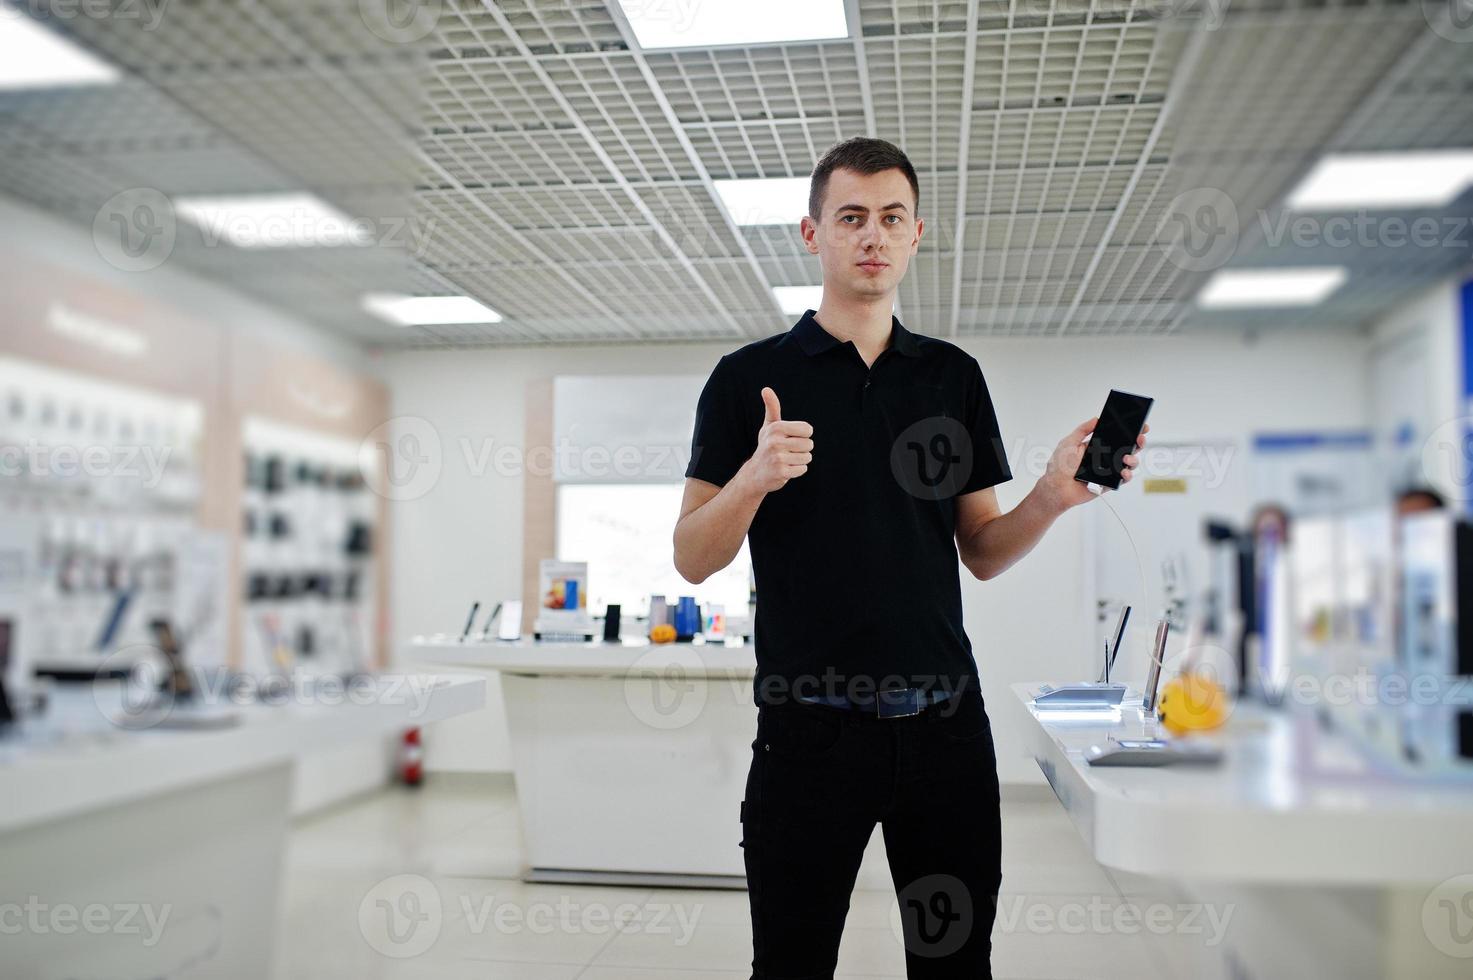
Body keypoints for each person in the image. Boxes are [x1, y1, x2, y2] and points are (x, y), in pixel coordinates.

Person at [673, 137, 1146, 980]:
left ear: (916, 234)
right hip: (806, 736)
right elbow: (690, 558)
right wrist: (750, 476)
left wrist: (1049, 494)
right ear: (810, 234)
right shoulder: (747, 378)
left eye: (891, 218)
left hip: (944, 735)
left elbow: (982, 552)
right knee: (789, 966)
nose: (872, 236)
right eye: (850, 217)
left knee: (956, 966)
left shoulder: (950, 377)